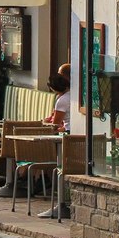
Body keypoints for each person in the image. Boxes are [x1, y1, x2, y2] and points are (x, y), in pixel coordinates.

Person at [37, 71, 74, 219]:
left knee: (57, 164)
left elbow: (55, 124)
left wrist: (49, 124)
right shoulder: (73, 95)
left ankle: (60, 199)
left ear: (53, 88)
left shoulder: (62, 100)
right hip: (74, 133)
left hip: (67, 137)